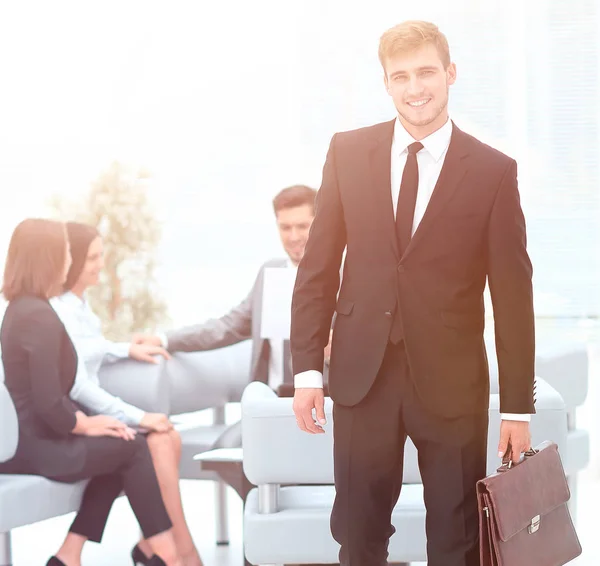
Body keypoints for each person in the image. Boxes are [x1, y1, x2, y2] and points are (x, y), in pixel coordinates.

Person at [290, 20, 535, 566]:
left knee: (458, 540)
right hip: (361, 378)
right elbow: (317, 269)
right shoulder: (347, 152)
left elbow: (514, 297)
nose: (414, 87)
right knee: (357, 534)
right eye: (400, 76)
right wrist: (308, 370)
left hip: (451, 385)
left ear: (450, 74)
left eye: (426, 72)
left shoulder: (494, 172)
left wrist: (517, 407)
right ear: (386, 83)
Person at [0, 218, 181, 566]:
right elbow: (48, 401)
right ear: (49, 259)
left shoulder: (21, 309)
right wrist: (88, 424)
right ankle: (166, 553)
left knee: (118, 448)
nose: (70, 263)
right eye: (67, 254)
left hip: (31, 441)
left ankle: (69, 555)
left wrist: (97, 422)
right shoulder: (38, 316)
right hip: (38, 447)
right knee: (134, 447)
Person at [50, 222, 203, 566]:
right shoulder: (59, 310)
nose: (101, 263)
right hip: (76, 413)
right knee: (156, 440)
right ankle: (180, 551)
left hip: (89, 407)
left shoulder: (80, 306)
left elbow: (90, 348)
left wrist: (124, 349)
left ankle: (148, 545)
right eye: (93, 257)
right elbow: (79, 384)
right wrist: (136, 416)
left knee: (169, 438)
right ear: (70, 262)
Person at [134, 184, 323, 392]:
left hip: (326, 404)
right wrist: (163, 339)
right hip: (273, 403)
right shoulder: (269, 273)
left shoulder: (346, 275)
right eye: (285, 228)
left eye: (302, 226)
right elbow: (227, 327)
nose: (294, 237)